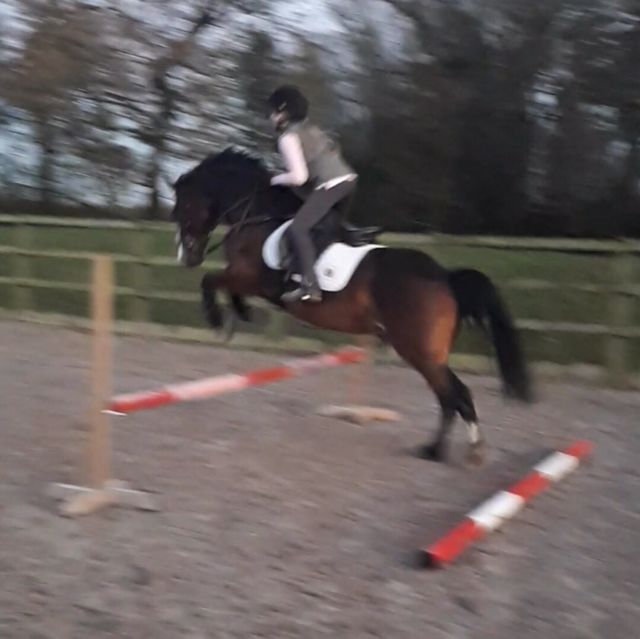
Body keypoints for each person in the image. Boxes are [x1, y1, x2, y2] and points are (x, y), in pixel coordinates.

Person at [267, 85, 357, 303]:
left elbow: (299, 177)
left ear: (284, 113)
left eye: (273, 112)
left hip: (330, 185)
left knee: (298, 229)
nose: (271, 117)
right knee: (325, 227)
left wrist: (275, 179)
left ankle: (310, 286)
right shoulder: (313, 129)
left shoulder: (288, 138)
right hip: (348, 181)